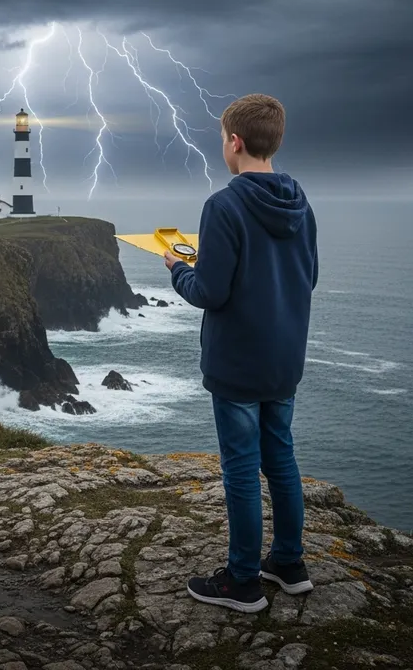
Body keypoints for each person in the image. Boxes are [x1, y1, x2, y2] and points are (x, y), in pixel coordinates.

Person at [164, 93, 318, 613]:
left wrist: (179, 268)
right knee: (282, 458)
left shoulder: (223, 205)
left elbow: (210, 293)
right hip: (284, 359)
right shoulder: (300, 201)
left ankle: (242, 581)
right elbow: (308, 276)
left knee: (240, 468)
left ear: (234, 141)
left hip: (236, 363)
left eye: (221, 139)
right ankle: (289, 564)